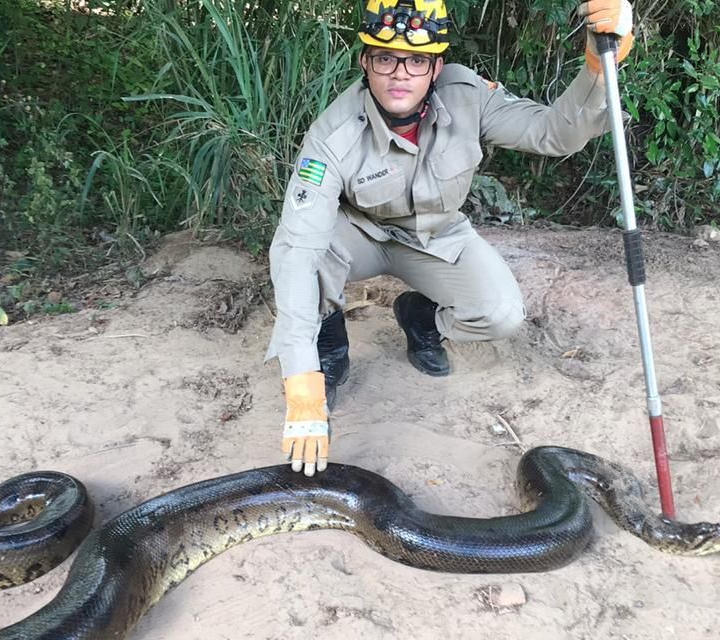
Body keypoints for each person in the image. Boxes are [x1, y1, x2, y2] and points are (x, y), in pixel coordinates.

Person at [266, 0, 635, 475]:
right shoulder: (333, 134)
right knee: (303, 258)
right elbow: (297, 248)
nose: (400, 73)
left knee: (501, 314)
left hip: (435, 236)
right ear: (365, 61)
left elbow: (554, 134)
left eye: (416, 60)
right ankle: (328, 346)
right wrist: (300, 385)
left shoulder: (467, 95)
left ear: (436, 66)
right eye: (385, 57)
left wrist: (596, 68)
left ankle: (421, 318)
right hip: (358, 233)